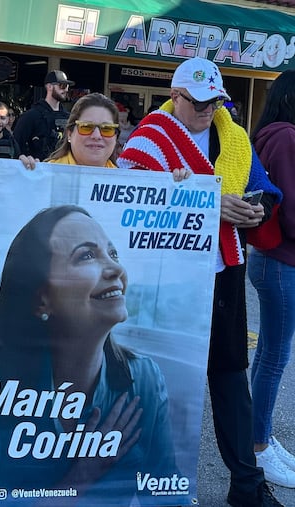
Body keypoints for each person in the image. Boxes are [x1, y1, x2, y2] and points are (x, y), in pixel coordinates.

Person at [118, 56, 283, 507]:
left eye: (215, 102)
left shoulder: (233, 137)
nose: (207, 110)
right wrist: (211, 205)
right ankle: (145, 482)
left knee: (231, 380)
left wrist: (257, 208)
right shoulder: (148, 139)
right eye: (198, 102)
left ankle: (247, 486)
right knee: (158, 380)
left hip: (223, 274)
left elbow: (264, 187)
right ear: (175, 96)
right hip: (164, 280)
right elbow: (132, 205)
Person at [0, 205, 175, 504]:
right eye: (86, 255)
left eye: (112, 254)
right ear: (42, 300)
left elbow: (166, 494)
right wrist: (83, 476)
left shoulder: (143, 380)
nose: (116, 269)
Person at [248, 69, 295, 488]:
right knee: (274, 358)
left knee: (269, 355)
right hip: (281, 259)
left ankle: (259, 436)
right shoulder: (287, 137)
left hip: (272, 257)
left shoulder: (273, 134)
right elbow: (291, 205)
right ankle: (259, 446)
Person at [13, 69, 73, 161]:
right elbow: (16, 145)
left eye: (67, 86)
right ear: (49, 86)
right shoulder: (31, 116)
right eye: (62, 86)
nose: (65, 90)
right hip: (38, 169)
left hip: (62, 169)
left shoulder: (69, 117)